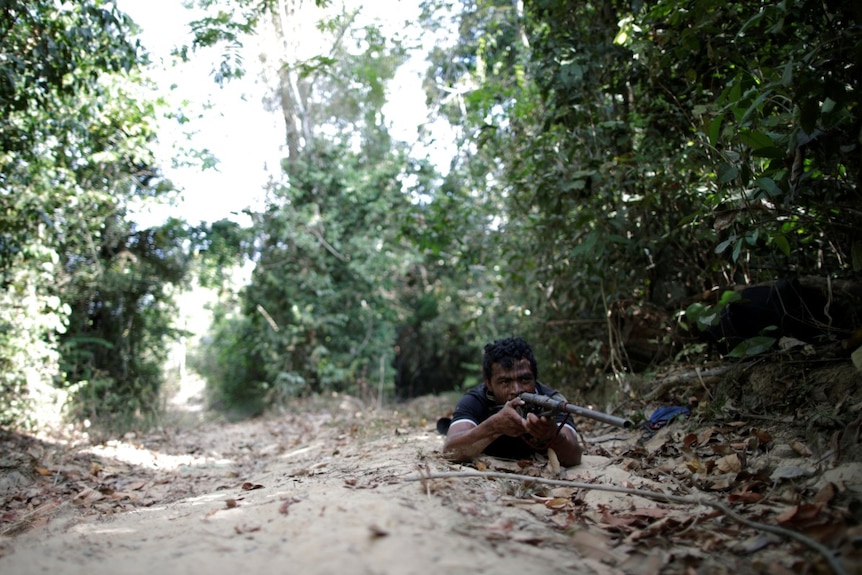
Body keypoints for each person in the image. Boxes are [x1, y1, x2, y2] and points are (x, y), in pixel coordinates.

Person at [442, 337, 583, 467]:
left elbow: (574, 457)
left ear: (535, 378)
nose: (516, 390)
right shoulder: (475, 400)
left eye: (525, 379)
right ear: (489, 384)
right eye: (505, 381)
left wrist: (553, 435)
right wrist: (494, 427)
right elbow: (451, 452)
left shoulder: (553, 401)